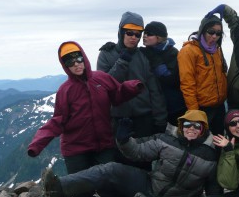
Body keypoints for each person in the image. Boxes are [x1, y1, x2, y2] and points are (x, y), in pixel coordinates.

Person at [39, 110, 222, 197]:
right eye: (187, 124)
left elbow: (214, 195)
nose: (191, 129)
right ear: (181, 126)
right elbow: (137, 152)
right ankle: (57, 188)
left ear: (203, 129)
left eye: (196, 126)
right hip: (149, 185)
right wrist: (124, 140)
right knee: (110, 169)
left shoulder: (211, 159)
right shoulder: (166, 141)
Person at [28, 41, 143, 197]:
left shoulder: (101, 79)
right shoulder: (66, 90)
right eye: (70, 62)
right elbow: (58, 121)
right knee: (83, 191)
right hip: (76, 149)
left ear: (84, 57)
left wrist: (133, 87)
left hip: (103, 144)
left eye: (78, 58)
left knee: (109, 186)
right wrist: (37, 144)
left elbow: (117, 95)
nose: (77, 64)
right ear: (65, 66)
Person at [97, 11, 168, 140]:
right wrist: (123, 61)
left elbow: (154, 91)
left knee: (143, 159)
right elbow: (104, 87)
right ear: (121, 32)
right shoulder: (106, 54)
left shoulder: (144, 56)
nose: (133, 37)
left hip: (144, 120)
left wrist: (160, 121)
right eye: (129, 33)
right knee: (119, 159)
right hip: (117, 120)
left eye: (138, 34)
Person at [178, 11, 228, 135]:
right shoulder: (188, 51)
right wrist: (194, 113)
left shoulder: (217, 50)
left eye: (218, 33)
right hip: (202, 109)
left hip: (219, 107)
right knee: (203, 145)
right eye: (211, 32)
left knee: (218, 143)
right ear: (202, 30)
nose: (214, 36)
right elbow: (187, 84)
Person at [140, 21, 186, 126]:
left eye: (149, 34)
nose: (145, 36)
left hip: (175, 108)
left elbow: (170, 79)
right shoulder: (144, 52)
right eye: (144, 33)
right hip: (155, 109)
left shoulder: (173, 53)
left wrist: (154, 59)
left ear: (159, 37)